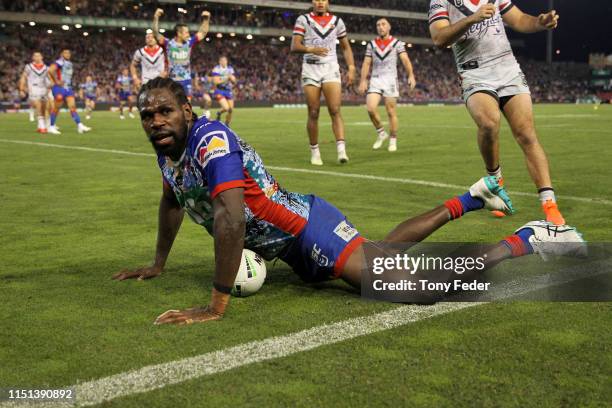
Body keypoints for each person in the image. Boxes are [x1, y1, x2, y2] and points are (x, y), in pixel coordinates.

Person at [113, 78, 584, 325]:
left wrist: (214, 305)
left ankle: (530, 237)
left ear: (187, 112)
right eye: (147, 115)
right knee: (383, 253)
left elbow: (231, 215)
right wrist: (157, 262)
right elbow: (172, 203)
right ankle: (474, 197)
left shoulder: (209, 139)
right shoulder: (169, 157)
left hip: (305, 227)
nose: (155, 120)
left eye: (165, 111)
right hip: (290, 246)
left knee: (409, 287)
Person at [428, 0, 565, 224]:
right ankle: (496, 184)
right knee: (489, 123)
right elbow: (439, 38)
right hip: (474, 71)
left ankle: (549, 204)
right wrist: (472, 18)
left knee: (527, 134)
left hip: (507, 69)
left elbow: (520, 20)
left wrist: (539, 23)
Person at [290, 0, 355, 166]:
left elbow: (346, 47)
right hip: (310, 68)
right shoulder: (303, 19)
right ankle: (315, 152)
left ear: (328, 2)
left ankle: (341, 150)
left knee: (335, 109)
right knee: (313, 112)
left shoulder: (337, 22)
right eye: (317, 0)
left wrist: (352, 67)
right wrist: (311, 49)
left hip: (330, 68)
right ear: (313, 2)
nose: (320, 2)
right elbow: (294, 46)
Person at [359, 18, 416, 152]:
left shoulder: (397, 43)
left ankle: (393, 139)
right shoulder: (371, 44)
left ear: (389, 27)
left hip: (390, 80)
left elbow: (405, 60)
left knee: (391, 112)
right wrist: (363, 80)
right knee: (370, 108)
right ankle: (381, 133)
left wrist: (411, 75)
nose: (380, 27)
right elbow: (366, 63)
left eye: (383, 24)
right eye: (378, 25)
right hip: (375, 79)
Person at [152, 8, 210, 100]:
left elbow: (202, 33)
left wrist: (206, 19)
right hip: (172, 81)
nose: (188, 34)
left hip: (186, 80)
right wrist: (156, 17)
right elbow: (155, 33)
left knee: (187, 105)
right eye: (186, 32)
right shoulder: (168, 44)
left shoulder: (189, 43)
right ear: (179, 33)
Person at [48, 48, 91, 134]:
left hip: (68, 88)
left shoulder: (70, 64)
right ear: (62, 54)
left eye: (69, 53)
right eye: (65, 53)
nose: (68, 54)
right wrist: (56, 81)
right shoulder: (60, 61)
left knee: (72, 107)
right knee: (56, 108)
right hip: (59, 88)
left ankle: (79, 125)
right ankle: (51, 126)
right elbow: (50, 70)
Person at [19, 51, 49, 133]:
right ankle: (42, 126)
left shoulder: (46, 68)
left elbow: (49, 79)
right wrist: (21, 89)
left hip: (44, 88)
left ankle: (40, 126)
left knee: (44, 107)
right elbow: (23, 77)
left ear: (42, 57)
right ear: (33, 58)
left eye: (39, 56)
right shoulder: (29, 67)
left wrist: (49, 88)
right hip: (33, 88)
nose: (37, 57)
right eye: (35, 56)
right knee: (38, 104)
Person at [212, 56, 237, 126]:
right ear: (219, 62)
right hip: (219, 90)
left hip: (228, 90)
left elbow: (234, 81)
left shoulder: (230, 69)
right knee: (226, 108)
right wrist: (227, 78)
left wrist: (233, 80)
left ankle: (226, 124)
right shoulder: (216, 69)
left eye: (225, 60)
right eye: (222, 61)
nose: (224, 62)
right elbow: (216, 82)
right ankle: (220, 113)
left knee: (230, 110)